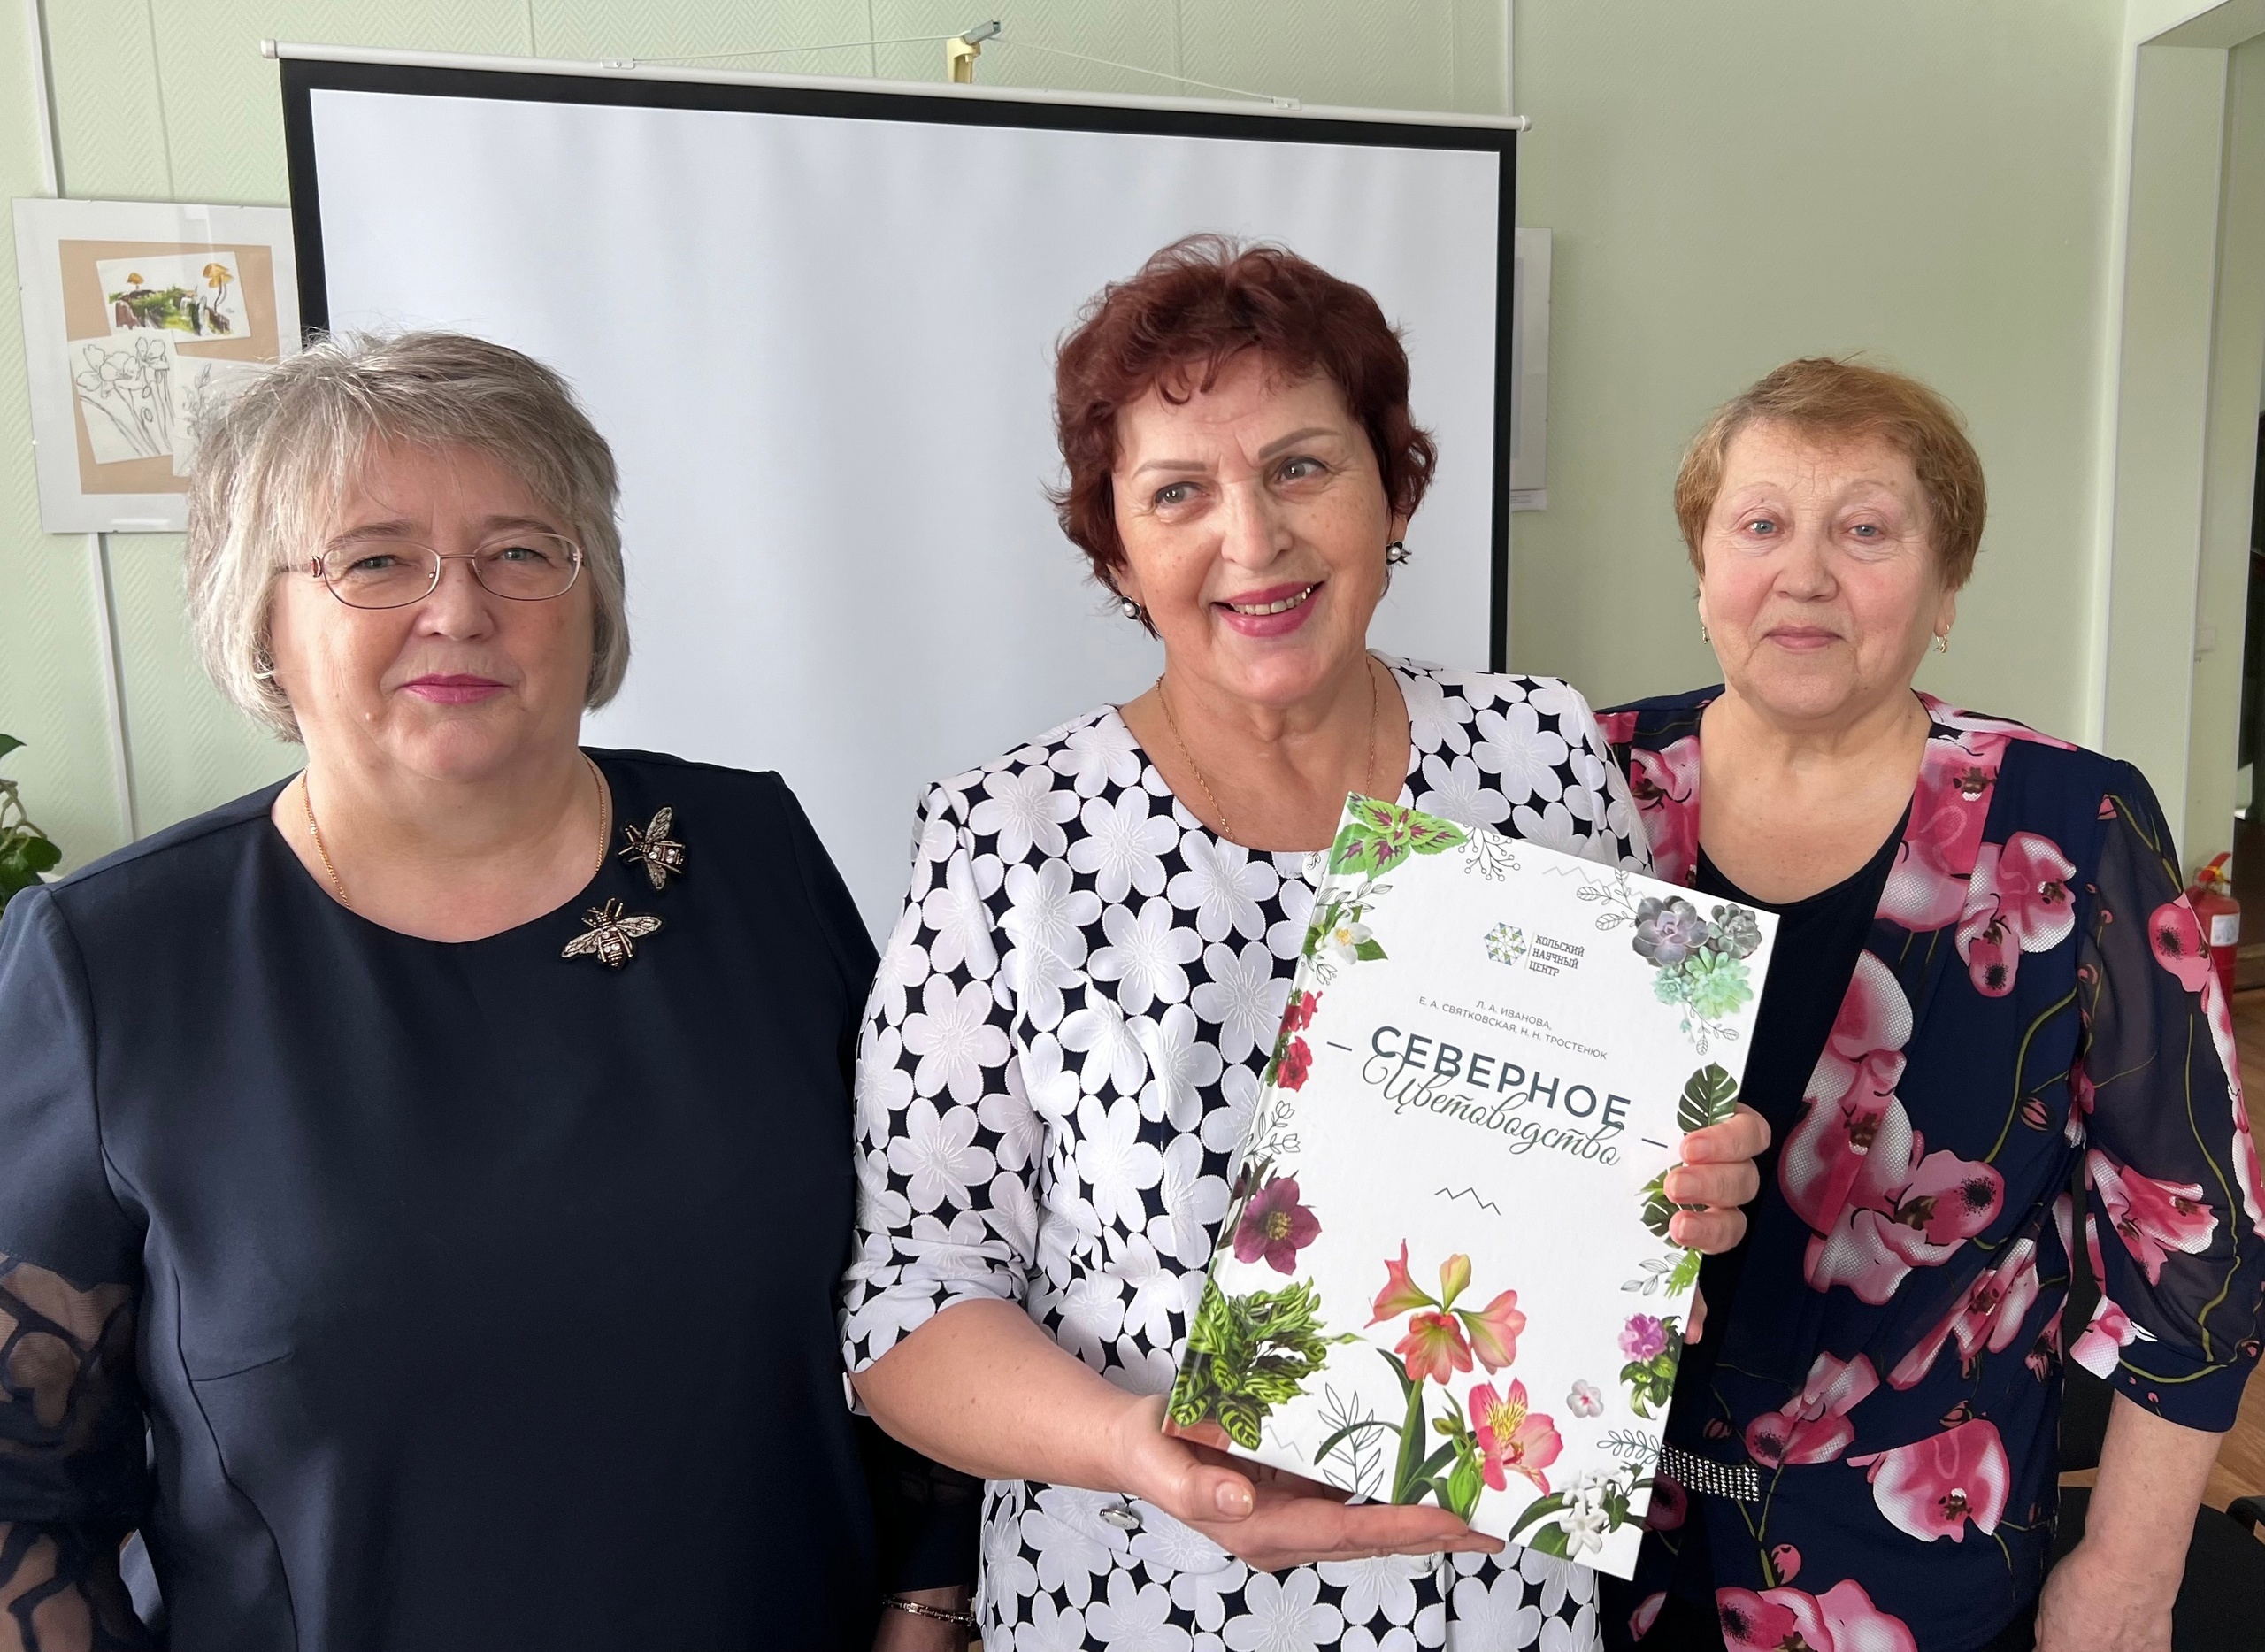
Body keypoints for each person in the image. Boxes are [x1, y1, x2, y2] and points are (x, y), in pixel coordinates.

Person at [841, 237, 1771, 1648]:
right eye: (1178, 492)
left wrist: (1685, 1187)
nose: (1254, 538)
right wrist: (1133, 1446)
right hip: (1141, 1604)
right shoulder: (1009, 838)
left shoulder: (1541, 753)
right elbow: (909, 1303)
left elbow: (1619, 1151)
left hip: (1496, 1604)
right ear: (1115, 549)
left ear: (1393, 489)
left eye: (1300, 467)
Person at [0, 332, 976, 1651]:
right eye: (375, 560)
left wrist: (928, 1595)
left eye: (521, 551)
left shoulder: (752, 855)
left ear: (593, 599)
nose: (458, 609)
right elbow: (22, 1491)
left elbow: (922, 1259)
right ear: (263, 623)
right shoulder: (113, 959)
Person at [1592, 358, 2265, 1652]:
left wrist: (2129, 1575)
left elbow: (2195, 1244)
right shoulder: (1584, 780)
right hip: (1563, 1545)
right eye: (1760, 524)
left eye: (1865, 530)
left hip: (1904, 1571)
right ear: (1702, 569)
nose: (1804, 575)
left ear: (1946, 588)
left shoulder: (2072, 823)